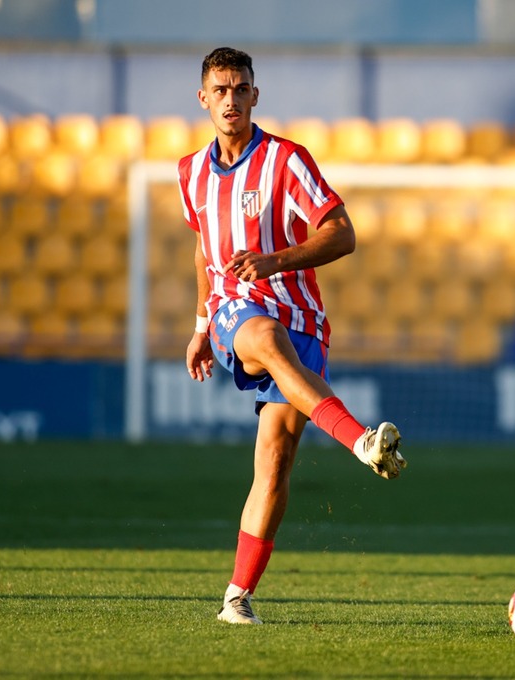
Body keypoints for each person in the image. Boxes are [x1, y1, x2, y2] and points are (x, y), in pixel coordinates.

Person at [180, 47, 406, 625]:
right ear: (203, 97)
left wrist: (276, 261)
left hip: (303, 318)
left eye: (241, 88)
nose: (231, 99)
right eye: (220, 89)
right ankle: (360, 441)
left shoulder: (285, 160)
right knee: (261, 337)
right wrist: (205, 325)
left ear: (256, 95)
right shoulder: (191, 172)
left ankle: (237, 597)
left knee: (275, 463)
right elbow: (206, 249)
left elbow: (343, 234)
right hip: (241, 312)